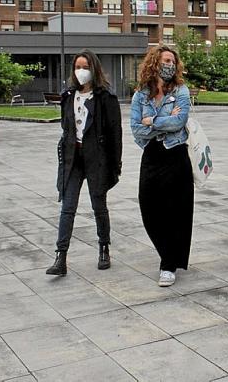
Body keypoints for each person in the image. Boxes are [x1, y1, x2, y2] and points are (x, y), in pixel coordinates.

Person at [46, 50, 122, 276]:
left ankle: (104, 248)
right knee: (67, 208)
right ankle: (61, 256)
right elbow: (66, 128)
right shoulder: (68, 96)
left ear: (94, 69)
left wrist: (115, 165)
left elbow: (115, 134)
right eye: (78, 67)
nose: (81, 72)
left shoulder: (105, 99)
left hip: (97, 159)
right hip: (72, 160)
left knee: (99, 207)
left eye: (85, 67)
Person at [131, 45, 193, 287]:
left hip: (176, 154)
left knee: (176, 210)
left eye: (173, 62)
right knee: (149, 208)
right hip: (152, 155)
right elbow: (136, 129)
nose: (170, 65)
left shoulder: (181, 91)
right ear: (154, 63)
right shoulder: (140, 95)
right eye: (166, 60)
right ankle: (168, 253)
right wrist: (161, 122)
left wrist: (152, 121)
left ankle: (168, 264)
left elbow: (179, 121)